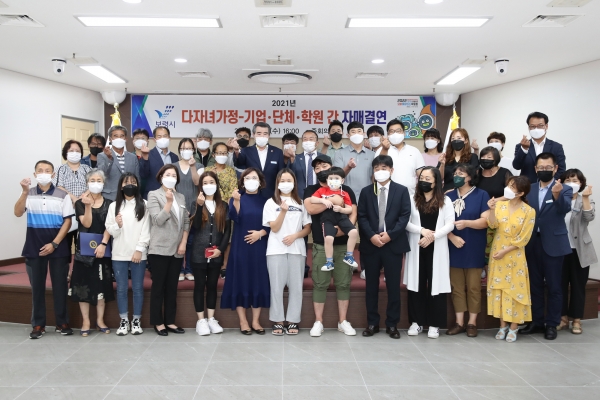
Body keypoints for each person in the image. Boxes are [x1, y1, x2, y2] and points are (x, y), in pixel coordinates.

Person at [14, 160, 74, 339]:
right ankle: (38, 324)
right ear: (34, 175)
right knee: (37, 288)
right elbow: (17, 212)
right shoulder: (28, 193)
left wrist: (54, 243)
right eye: (40, 170)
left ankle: (62, 322)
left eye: (47, 170)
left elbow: (68, 221)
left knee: (60, 286)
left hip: (58, 247)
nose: (43, 173)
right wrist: (24, 192)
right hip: (34, 247)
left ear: (53, 175)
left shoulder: (63, 195)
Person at [520, 153, 573, 340]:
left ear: (555, 168)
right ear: (535, 169)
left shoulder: (564, 188)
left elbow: (564, 209)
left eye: (548, 167)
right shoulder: (530, 188)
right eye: (541, 168)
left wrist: (557, 195)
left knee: (554, 286)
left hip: (554, 244)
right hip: (532, 243)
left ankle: (552, 323)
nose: (544, 170)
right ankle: (536, 321)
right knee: (534, 285)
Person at [304, 154, 358, 337]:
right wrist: (332, 201)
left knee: (343, 284)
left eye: (324, 166)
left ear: (332, 168)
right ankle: (318, 322)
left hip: (343, 244)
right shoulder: (311, 189)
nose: (321, 170)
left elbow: (353, 212)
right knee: (320, 284)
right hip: (321, 244)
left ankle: (343, 321)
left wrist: (342, 230)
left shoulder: (346, 189)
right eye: (317, 167)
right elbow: (311, 209)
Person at [358, 155, 411, 339]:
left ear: (391, 170)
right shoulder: (366, 191)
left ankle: (392, 324)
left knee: (393, 287)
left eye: (384, 168)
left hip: (393, 244)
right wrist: (372, 236)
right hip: (371, 244)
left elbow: (405, 216)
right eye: (377, 168)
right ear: (373, 171)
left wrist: (390, 235)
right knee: (371, 286)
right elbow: (362, 216)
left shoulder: (401, 190)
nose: (380, 171)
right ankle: (372, 323)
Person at [405, 167, 454, 339]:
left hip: (436, 247)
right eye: (422, 178)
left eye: (428, 178)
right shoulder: (412, 199)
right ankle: (416, 322)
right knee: (416, 284)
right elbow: (405, 221)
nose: (424, 181)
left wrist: (433, 236)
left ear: (436, 182)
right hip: (417, 245)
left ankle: (434, 324)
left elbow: (450, 224)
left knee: (436, 285)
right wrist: (422, 231)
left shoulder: (445, 200)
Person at [220, 168, 271, 334]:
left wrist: (261, 233)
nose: (251, 180)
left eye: (254, 178)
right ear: (242, 181)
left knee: (258, 280)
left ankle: (256, 321)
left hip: (260, 245)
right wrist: (236, 201)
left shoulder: (267, 201)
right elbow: (235, 218)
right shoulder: (236, 198)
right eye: (247, 178)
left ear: (260, 181)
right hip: (240, 246)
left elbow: (272, 224)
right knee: (240, 280)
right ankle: (243, 321)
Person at [487, 176, 536, 343]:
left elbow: (524, 238)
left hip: (514, 254)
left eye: (512, 187)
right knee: (500, 289)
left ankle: (514, 327)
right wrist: (492, 209)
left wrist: (505, 251)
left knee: (515, 290)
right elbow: (492, 225)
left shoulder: (529, 211)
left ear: (521, 193)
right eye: (508, 185)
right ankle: (502, 325)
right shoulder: (500, 205)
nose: (508, 188)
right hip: (497, 250)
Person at [263, 169, 311, 335]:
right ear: (277, 183)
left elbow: (307, 228)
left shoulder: (301, 203)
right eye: (282, 181)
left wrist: (295, 236)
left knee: (296, 287)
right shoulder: (271, 203)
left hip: (297, 249)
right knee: (276, 287)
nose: (285, 183)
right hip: (275, 249)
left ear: (294, 183)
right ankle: (277, 320)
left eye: (289, 180)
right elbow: (274, 228)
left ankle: (293, 321)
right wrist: (283, 211)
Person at [446, 164, 490, 337]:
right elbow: (440, 221)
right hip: (453, 246)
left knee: (473, 287)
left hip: (474, 246)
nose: (457, 176)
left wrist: (467, 223)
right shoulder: (448, 196)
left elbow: (486, 221)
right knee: (456, 286)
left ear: (470, 177)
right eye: (455, 173)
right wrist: (451, 236)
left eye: (461, 173)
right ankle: (459, 322)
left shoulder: (481, 195)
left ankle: (472, 322)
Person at [69, 170, 114, 336]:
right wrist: (87, 205)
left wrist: (103, 243)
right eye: (92, 180)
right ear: (87, 183)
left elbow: (110, 226)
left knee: (102, 286)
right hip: (84, 251)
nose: (96, 183)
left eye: (99, 180)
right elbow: (86, 223)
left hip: (103, 249)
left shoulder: (110, 203)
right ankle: (86, 321)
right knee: (83, 287)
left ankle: (100, 320)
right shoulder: (80, 203)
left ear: (104, 183)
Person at [147, 164, 190, 336]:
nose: (171, 178)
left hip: (177, 249)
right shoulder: (154, 195)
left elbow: (186, 222)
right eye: (167, 174)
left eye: (174, 175)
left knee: (172, 287)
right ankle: (158, 322)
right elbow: (157, 220)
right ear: (161, 177)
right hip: (159, 248)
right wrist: (169, 202)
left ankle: (170, 321)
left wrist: (184, 242)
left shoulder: (181, 196)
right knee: (158, 287)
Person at [105, 173, 150, 336]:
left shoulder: (144, 204)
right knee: (122, 288)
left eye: (133, 182)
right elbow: (111, 231)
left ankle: (136, 320)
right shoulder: (114, 206)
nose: (130, 185)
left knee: (138, 288)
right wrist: (117, 225)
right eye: (126, 182)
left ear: (138, 185)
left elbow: (146, 230)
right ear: (121, 186)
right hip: (119, 254)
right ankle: (123, 320)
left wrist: (139, 249)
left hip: (138, 254)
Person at [192, 171, 231, 336]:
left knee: (212, 285)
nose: (209, 186)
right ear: (201, 186)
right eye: (205, 183)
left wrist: (220, 250)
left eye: (211, 182)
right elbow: (195, 227)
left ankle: (211, 318)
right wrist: (200, 206)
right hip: (198, 253)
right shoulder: (196, 203)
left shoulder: (224, 206)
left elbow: (227, 231)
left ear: (216, 184)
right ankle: (200, 320)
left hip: (216, 253)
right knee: (200, 285)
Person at [558, 169, 597, 334]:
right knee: (559, 286)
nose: (571, 184)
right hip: (560, 250)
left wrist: (586, 198)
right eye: (567, 180)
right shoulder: (558, 199)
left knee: (578, 286)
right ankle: (562, 318)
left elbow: (589, 217)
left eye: (575, 180)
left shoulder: (585, 200)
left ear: (581, 183)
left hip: (579, 250)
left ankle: (576, 320)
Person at [310, 167, 358, 271]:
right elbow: (312, 199)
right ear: (327, 180)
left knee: (354, 232)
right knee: (328, 238)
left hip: (341, 217)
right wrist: (323, 201)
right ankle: (329, 262)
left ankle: (349, 256)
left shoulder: (344, 193)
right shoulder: (322, 190)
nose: (333, 180)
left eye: (336, 178)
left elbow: (350, 209)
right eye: (331, 178)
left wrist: (341, 209)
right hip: (327, 219)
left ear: (342, 180)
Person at [53, 139, 92, 253]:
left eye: (77, 150)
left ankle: (80, 264)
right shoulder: (60, 169)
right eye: (71, 150)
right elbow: (58, 186)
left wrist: (82, 197)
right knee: (66, 242)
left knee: (82, 242)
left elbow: (93, 185)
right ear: (65, 153)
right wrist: (74, 198)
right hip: (66, 210)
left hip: (84, 208)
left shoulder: (87, 169)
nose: (75, 153)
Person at [174, 138, 204, 281]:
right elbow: (171, 187)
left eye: (189, 148)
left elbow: (198, 182)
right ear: (179, 150)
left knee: (191, 241)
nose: (186, 151)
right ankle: (179, 269)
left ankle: (189, 270)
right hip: (178, 207)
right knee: (178, 240)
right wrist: (178, 205)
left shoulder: (199, 166)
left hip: (194, 207)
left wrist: (192, 167)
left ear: (193, 150)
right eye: (183, 148)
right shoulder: (173, 166)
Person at [232, 122, 285, 199]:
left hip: (272, 195)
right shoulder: (246, 151)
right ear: (254, 135)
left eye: (265, 134)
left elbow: (281, 174)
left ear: (269, 136)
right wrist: (236, 151)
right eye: (259, 133)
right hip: (251, 194)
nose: (262, 136)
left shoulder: (277, 152)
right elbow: (239, 164)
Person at [513, 112, 566, 183]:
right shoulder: (521, 146)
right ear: (529, 127)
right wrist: (524, 149)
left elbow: (561, 169)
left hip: (550, 187)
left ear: (546, 126)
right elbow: (516, 166)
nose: (536, 129)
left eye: (540, 126)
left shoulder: (556, 147)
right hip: (527, 186)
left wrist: (549, 184)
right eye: (532, 126)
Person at [376, 119, 425, 195]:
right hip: (387, 195)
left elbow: (421, 175)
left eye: (398, 131)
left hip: (410, 194)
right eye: (392, 131)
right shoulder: (381, 150)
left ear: (404, 133)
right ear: (388, 134)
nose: (395, 133)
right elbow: (378, 170)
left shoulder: (414, 151)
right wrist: (385, 149)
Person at [333, 121, 374, 203]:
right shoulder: (340, 153)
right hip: (346, 198)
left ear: (364, 134)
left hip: (368, 198)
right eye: (353, 132)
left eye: (359, 131)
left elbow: (375, 178)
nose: (356, 134)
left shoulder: (372, 154)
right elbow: (336, 177)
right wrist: (348, 167)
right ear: (348, 135)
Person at [97, 125, 140, 201]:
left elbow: (137, 179)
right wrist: (109, 159)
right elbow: (101, 174)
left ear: (126, 139)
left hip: (129, 197)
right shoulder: (102, 156)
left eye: (122, 136)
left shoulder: (133, 157)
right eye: (115, 136)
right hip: (110, 197)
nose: (119, 139)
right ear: (110, 139)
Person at [139, 126, 179, 199]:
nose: (162, 139)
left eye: (165, 136)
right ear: (154, 139)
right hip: (153, 196)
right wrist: (145, 158)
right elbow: (143, 175)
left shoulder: (174, 157)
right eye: (159, 137)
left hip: (171, 195)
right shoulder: (148, 154)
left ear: (169, 138)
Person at [441, 128, 480, 192]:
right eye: (453, 138)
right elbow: (440, 178)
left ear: (466, 141)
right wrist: (442, 164)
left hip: (466, 192)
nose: (456, 140)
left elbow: (474, 177)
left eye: (459, 138)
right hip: (447, 192)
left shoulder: (472, 157)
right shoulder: (445, 157)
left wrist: (455, 191)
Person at [287, 130, 323, 199]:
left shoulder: (323, 158)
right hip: (300, 196)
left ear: (317, 143)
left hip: (320, 196)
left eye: (311, 139)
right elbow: (290, 175)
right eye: (305, 139)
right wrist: (292, 159)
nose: (308, 142)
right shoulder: (295, 158)